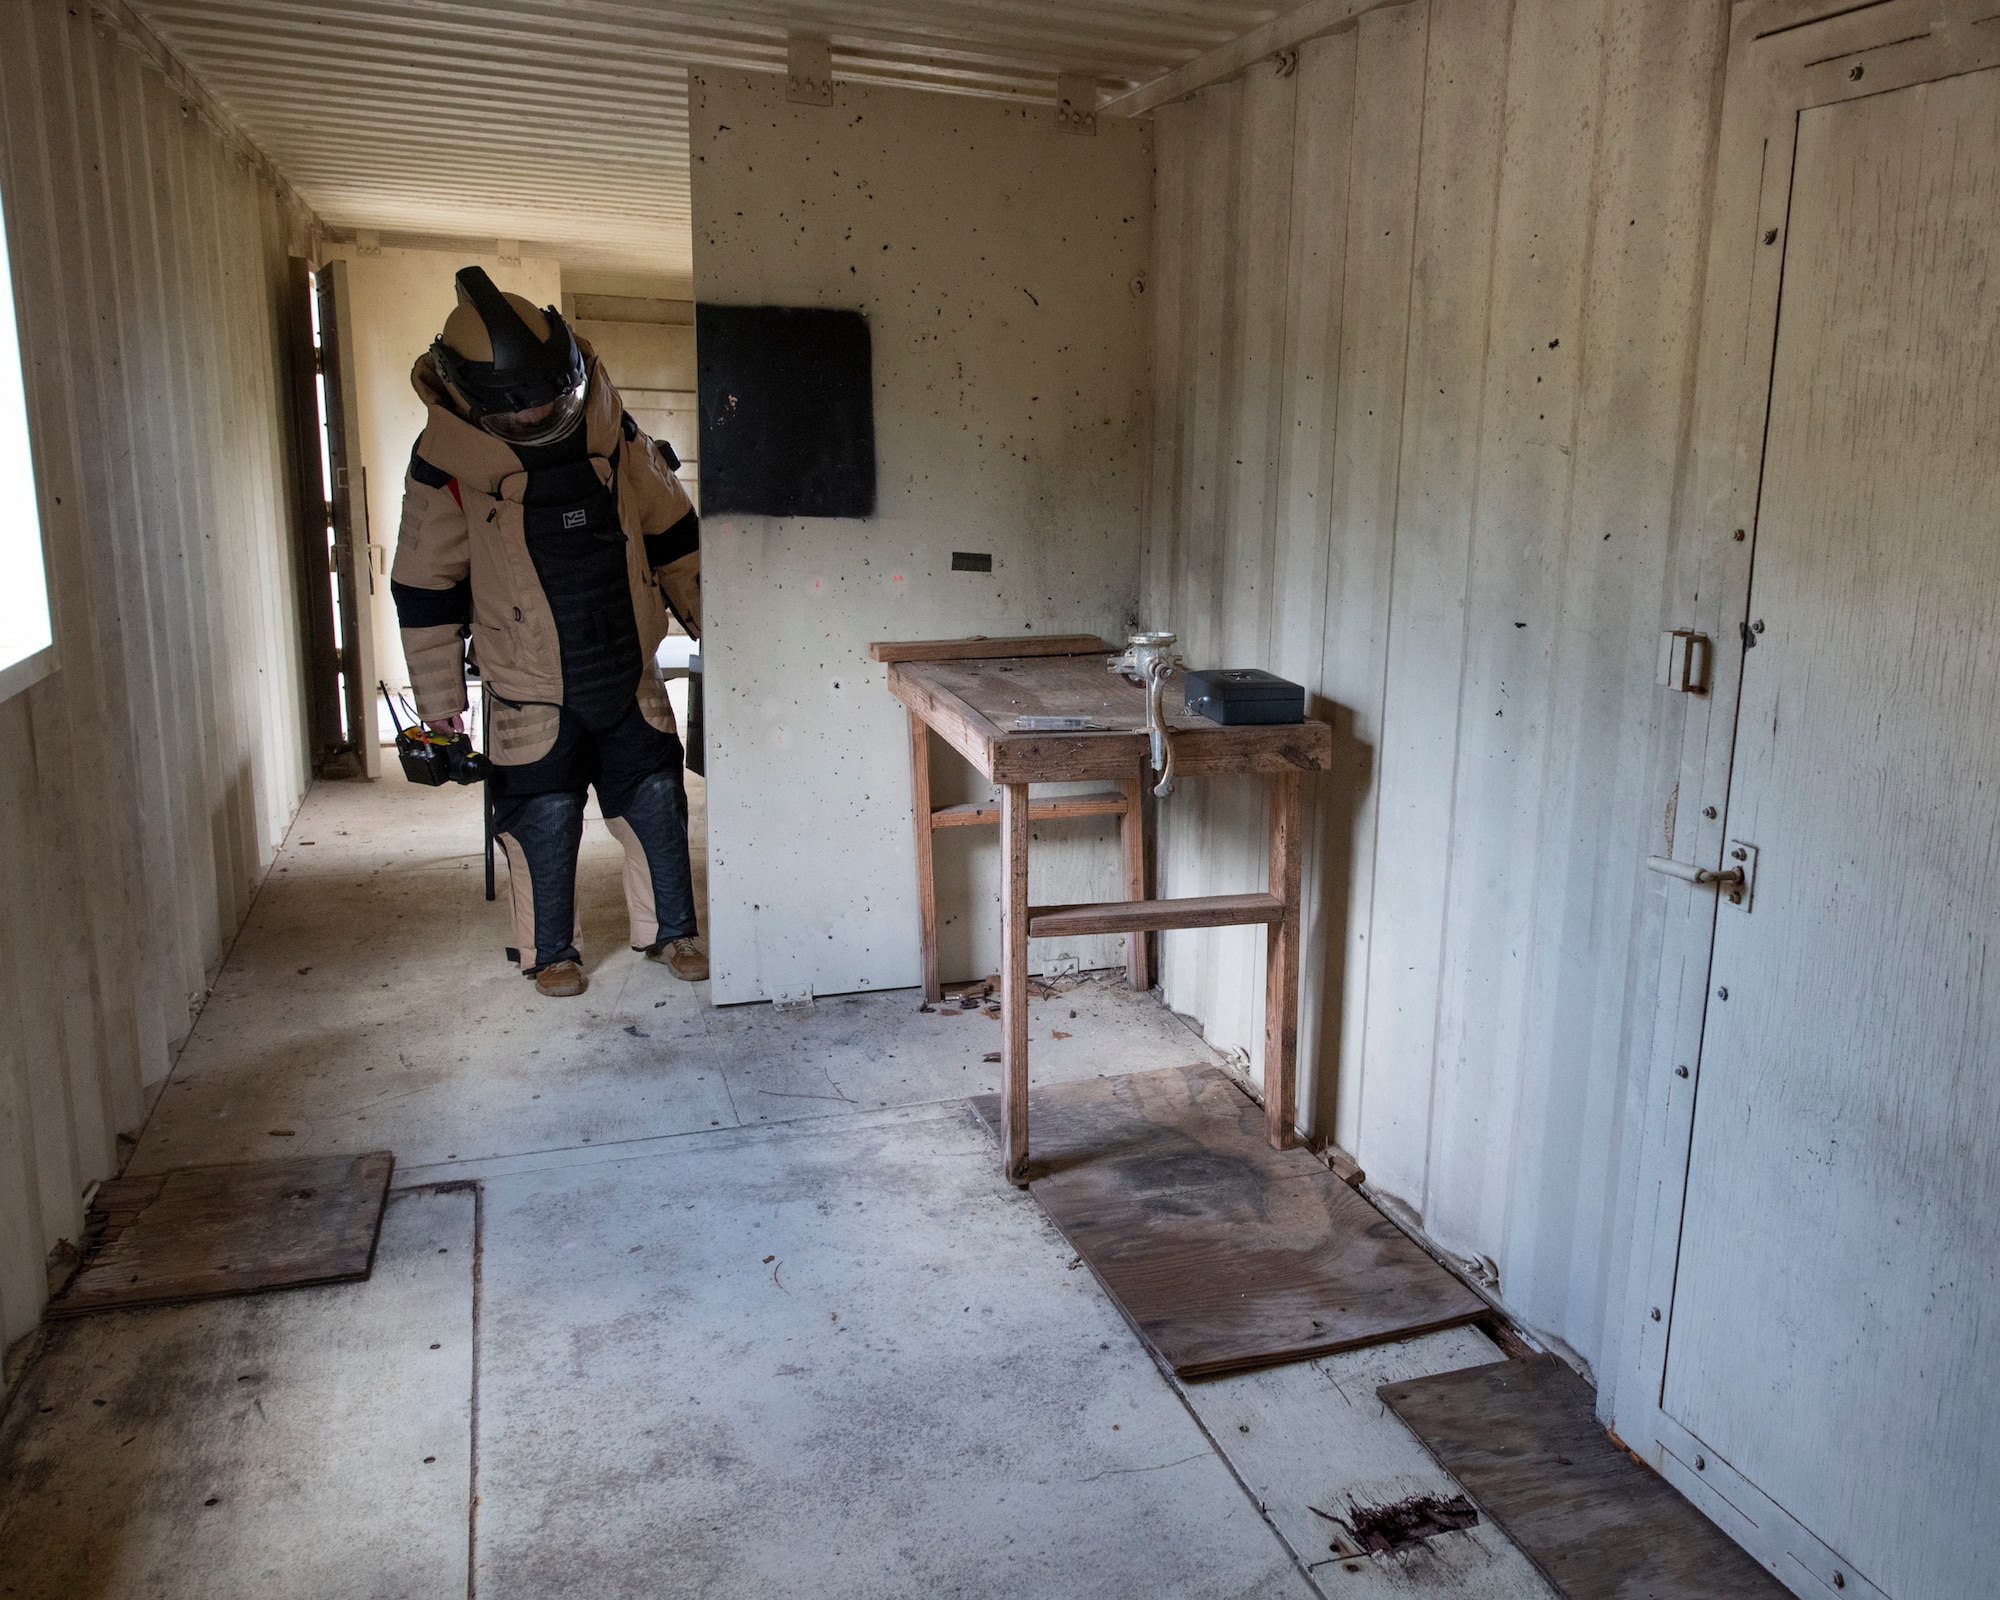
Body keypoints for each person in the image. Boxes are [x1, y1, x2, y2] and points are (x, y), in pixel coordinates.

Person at [390, 266, 706, 998]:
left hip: (628, 670)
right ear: (470, 397)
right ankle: (551, 951)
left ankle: (672, 931)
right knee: (543, 814)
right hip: (528, 688)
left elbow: (674, 536)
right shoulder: (443, 468)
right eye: (516, 409)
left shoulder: (611, 431)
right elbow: (422, 585)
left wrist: (717, 626)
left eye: (548, 399)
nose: (536, 416)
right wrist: (439, 700)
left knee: (656, 794)